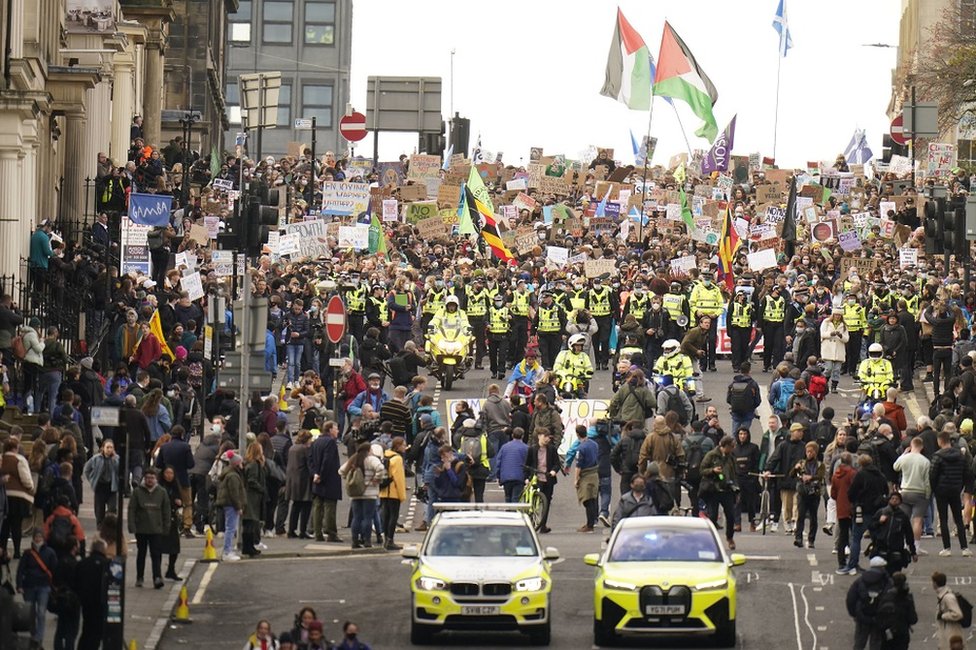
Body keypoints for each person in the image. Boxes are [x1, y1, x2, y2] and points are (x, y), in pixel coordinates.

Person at [843, 454, 889, 575]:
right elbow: (886, 491)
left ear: (860, 464)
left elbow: (851, 492)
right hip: (878, 510)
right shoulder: (880, 475)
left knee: (856, 538)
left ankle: (852, 564)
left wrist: (855, 501)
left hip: (862, 510)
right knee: (877, 539)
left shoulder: (861, 475)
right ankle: (879, 563)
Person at [929, 429, 973, 556]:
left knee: (943, 519)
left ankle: (946, 548)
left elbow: (932, 474)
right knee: (958, 519)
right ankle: (964, 548)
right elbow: (967, 472)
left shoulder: (937, 456)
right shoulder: (961, 455)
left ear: (940, 441)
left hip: (941, 490)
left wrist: (934, 489)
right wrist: (962, 486)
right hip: (955, 489)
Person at [338, 442, 386, 549]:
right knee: (367, 518)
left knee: (357, 517)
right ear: (368, 450)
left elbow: (341, 471)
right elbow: (381, 468)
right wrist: (377, 478)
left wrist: (349, 477)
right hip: (370, 494)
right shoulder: (371, 459)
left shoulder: (353, 460)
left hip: (356, 494)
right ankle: (367, 541)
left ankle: (355, 541)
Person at [128, 468, 170, 588]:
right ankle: (139, 577)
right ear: (144, 479)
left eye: (152, 478)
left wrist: (166, 527)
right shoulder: (137, 492)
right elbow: (132, 510)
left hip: (156, 529)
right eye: (147, 478)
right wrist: (132, 526)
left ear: (156, 479)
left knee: (156, 554)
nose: (150, 480)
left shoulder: (162, 492)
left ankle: (157, 577)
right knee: (141, 554)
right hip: (141, 528)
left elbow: (166, 511)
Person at [699, 436, 739, 550]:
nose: (733, 449)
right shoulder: (712, 455)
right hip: (713, 490)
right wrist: (712, 471)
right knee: (712, 516)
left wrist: (736, 488)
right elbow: (702, 470)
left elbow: (734, 473)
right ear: (725, 446)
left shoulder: (731, 457)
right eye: (731, 447)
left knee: (730, 515)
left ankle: (730, 537)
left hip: (727, 490)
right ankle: (710, 539)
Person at [846, 556, 892, 650]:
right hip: (879, 617)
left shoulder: (860, 580)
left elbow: (851, 599)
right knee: (876, 643)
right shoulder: (887, 582)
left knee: (859, 642)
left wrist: (854, 614)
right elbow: (891, 599)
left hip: (862, 615)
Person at [892, 436, 930, 550]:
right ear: (922, 447)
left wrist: (903, 454)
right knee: (917, 520)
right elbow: (927, 480)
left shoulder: (905, 458)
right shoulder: (925, 461)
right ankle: (916, 547)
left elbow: (895, 467)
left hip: (905, 490)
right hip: (920, 492)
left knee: (904, 519)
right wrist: (928, 494)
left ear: (911, 446)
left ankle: (903, 544)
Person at [309, 421, 343, 543]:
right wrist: (321, 476)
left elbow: (311, 460)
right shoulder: (330, 442)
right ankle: (331, 533)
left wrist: (315, 474)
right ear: (329, 430)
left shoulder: (316, 442)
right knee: (329, 507)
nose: (338, 431)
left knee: (317, 507)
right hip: (329, 479)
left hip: (317, 478)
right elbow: (327, 461)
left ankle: (318, 533)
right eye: (336, 429)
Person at [869, 491, 918, 572]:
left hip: (896, 550)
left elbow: (909, 534)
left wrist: (913, 552)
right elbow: (871, 527)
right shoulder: (881, 512)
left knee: (895, 575)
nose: (894, 500)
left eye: (897, 499)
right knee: (880, 575)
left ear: (900, 502)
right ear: (889, 500)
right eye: (892, 498)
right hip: (881, 549)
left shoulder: (903, 516)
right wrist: (879, 523)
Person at [524, 428, 561, 534]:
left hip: (548, 478)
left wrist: (554, 471)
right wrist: (526, 478)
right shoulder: (532, 449)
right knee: (533, 501)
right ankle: (531, 522)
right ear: (539, 436)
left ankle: (543, 525)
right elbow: (527, 464)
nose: (547, 439)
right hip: (536, 478)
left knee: (547, 501)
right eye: (545, 436)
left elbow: (557, 463)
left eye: (548, 437)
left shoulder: (552, 449)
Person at [791, 441, 826, 549]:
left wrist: (811, 477)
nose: (809, 454)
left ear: (815, 452)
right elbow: (791, 475)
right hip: (803, 493)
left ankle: (811, 539)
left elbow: (820, 476)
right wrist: (795, 468)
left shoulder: (820, 465)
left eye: (811, 452)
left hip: (814, 493)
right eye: (807, 452)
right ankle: (798, 538)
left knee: (813, 517)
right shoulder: (801, 463)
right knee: (800, 516)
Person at [215, 453, 246, 562]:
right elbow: (234, 493)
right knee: (231, 528)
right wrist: (239, 506)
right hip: (231, 504)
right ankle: (227, 552)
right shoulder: (233, 476)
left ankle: (228, 550)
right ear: (237, 464)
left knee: (230, 528)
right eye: (241, 462)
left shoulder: (229, 473)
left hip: (227, 503)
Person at [876, 572, 917, 650]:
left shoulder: (885, 596)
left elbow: (879, 615)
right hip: (902, 633)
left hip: (886, 632)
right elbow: (913, 619)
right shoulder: (907, 598)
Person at [831, 452, 858, 574]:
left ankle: (841, 563)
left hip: (841, 507)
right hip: (852, 507)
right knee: (854, 536)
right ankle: (852, 563)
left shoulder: (836, 475)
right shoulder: (853, 474)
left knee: (843, 535)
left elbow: (833, 494)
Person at [83, 438, 120, 527]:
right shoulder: (96, 458)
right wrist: (92, 480)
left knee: (112, 509)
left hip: (112, 487)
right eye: (107, 447)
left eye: (111, 447)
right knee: (99, 511)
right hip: (100, 487)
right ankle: (100, 526)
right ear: (103, 448)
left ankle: (110, 526)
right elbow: (87, 469)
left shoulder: (117, 459)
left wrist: (114, 459)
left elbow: (120, 470)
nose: (109, 449)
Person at [379, 437, 407, 551]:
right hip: (394, 492)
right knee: (393, 517)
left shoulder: (386, 455)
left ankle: (386, 539)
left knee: (385, 517)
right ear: (398, 446)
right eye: (403, 445)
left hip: (384, 491)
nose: (405, 447)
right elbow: (399, 479)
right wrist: (402, 495)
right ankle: (390, 540)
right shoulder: (397, 459)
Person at [242, 443, 268, 557]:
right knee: (250, 523)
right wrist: (261, 489)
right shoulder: (253, 465)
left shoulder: (250, 463)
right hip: (251, 497)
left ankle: (248, 546)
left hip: (251, 496)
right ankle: (248, 547)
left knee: (249, 523)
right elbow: (251, 480)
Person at [573, 426, 600, 532]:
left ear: (577, 434)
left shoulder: (581, 448)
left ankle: (590, 524)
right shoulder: (594, 444)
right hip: (594, 473)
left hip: (586, 474)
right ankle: (592, 521)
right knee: (593, 498)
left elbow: (578, 466)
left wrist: (576, 479)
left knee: (587, 499)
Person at [933, 571, 965, 650]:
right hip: (947, 631)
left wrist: (943, 616)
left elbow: (958, 614)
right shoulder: (944, 595)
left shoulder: (948, 597)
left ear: (935, 583)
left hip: (951, 633)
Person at [727, 361, 761, 434]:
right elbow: (758, 400)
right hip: (748, 413)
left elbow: (728, 399)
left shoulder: (733, 383)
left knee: (735, 433)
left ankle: (734, 444)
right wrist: (752, 407)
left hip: (736, 412)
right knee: (744, 432)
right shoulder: (753, 384)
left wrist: (734, 405)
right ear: (749, 370)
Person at [496, 428, 529, 503]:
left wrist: (498, 476)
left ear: (512, 435)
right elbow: (528, 463)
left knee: (508, 497)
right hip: (519, 476)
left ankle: (508, 512)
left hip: (506, 476)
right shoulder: (526, 448)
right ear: (522, 436)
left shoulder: (504, 447)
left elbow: (499, 462)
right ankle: (514, 513)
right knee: (516, 498)